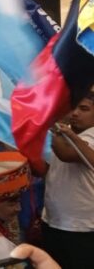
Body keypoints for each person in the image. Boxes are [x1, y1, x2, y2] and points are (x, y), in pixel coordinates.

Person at [42, 91, 94, 268]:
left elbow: (66, 154)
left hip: (81, 227)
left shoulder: (91, 135)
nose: (75, 113)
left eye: (84, 109)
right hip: (54, 220)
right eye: (73, 107)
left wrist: (54, 124)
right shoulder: (66, 133)